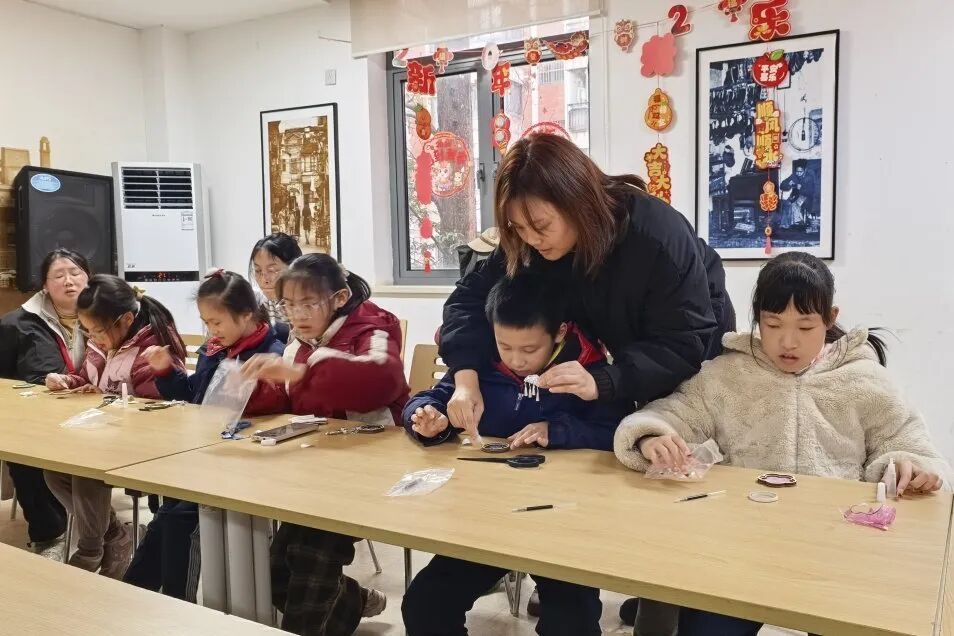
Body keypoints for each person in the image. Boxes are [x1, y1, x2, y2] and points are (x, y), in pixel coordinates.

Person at [438, 134, 734, 633]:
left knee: (668, 472)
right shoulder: (529, 241)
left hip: (689, 350)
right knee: (590, 462)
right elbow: (467, 302)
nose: (531, 239)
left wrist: (607, 379)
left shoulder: (654, 235)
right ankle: (567, 579)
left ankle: (664, 597)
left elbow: (685, 341)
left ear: (576, 200)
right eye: (517, 228)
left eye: (540, 226)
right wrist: (465, 378)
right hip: (610, 351)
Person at [614, 251, 950, 636]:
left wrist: (910, 465)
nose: (788, 342)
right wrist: (652, 436)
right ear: (757, 318)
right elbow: (674, 413)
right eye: (773, 324)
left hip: (838, 554)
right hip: (738, 550)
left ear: (830, 318)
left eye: (805, 327)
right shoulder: (727, 375)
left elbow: (908, 442)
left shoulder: (864, 379)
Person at [401, 273, 631, 636]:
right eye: (505, 346)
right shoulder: (479, 367)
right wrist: (429, 420)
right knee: (425, 604)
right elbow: (429, 399)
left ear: (560, 332)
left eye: (529, 349)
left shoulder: (587, 371)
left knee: (571, 622)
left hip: (562, 522)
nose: (516, 360)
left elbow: (616, 432)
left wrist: (556, 430)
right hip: (487, 516)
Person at [241, 254, 409, 636]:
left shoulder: (373, 327)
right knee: (275, 570)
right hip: (319, 470)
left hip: (375, 467)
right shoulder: (298, 341)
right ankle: (351, 599)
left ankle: (334, 606)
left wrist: (304, 371)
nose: (297, 315)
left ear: (339, 297)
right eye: (288, 305)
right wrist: (254, 388)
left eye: (308, 303)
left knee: (309, 555)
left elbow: (381, 381)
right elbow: (291, 401)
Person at [123, 269, 285, 601]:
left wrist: (252, 387)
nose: (212, 330)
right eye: (206, 322)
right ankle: (136, 595)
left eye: (217, 322)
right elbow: (192, 397)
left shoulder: (272, 353)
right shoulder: (215, 350)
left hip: (244, 467)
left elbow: (275, 413)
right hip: (206, 457)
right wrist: (165, 370)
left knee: (179, 517)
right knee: (167, 513)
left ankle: (176, 602)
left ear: (246, 314)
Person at [43, 275, 186, 578]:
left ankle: (90, 550)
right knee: (53, 470)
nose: (93, 338)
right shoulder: (102, 341)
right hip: (102, 436)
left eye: (97, 331)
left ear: (126, 320)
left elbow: (156, 409)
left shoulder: (151, 348)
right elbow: (90, 380)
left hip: (146, 445)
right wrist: (69, 381)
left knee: (85, 470)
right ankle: (116, 536)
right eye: (87, 331)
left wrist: (106, 399)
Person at [0, 249, 90, 559]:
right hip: (38, 419)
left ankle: (103, 530)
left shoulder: (110, 315)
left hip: (96, 414)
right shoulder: (17, 323)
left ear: (88, 277)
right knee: (24, 455)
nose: (69, 281)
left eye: (75, 273)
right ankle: (49, 535)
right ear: (44, 285)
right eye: (59, 275)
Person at [249, 232, 302, 342]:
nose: (264, 279)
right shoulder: (264, 302)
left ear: (294, 268)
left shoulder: (306, 305)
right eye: (258, 271)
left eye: (272, 270)